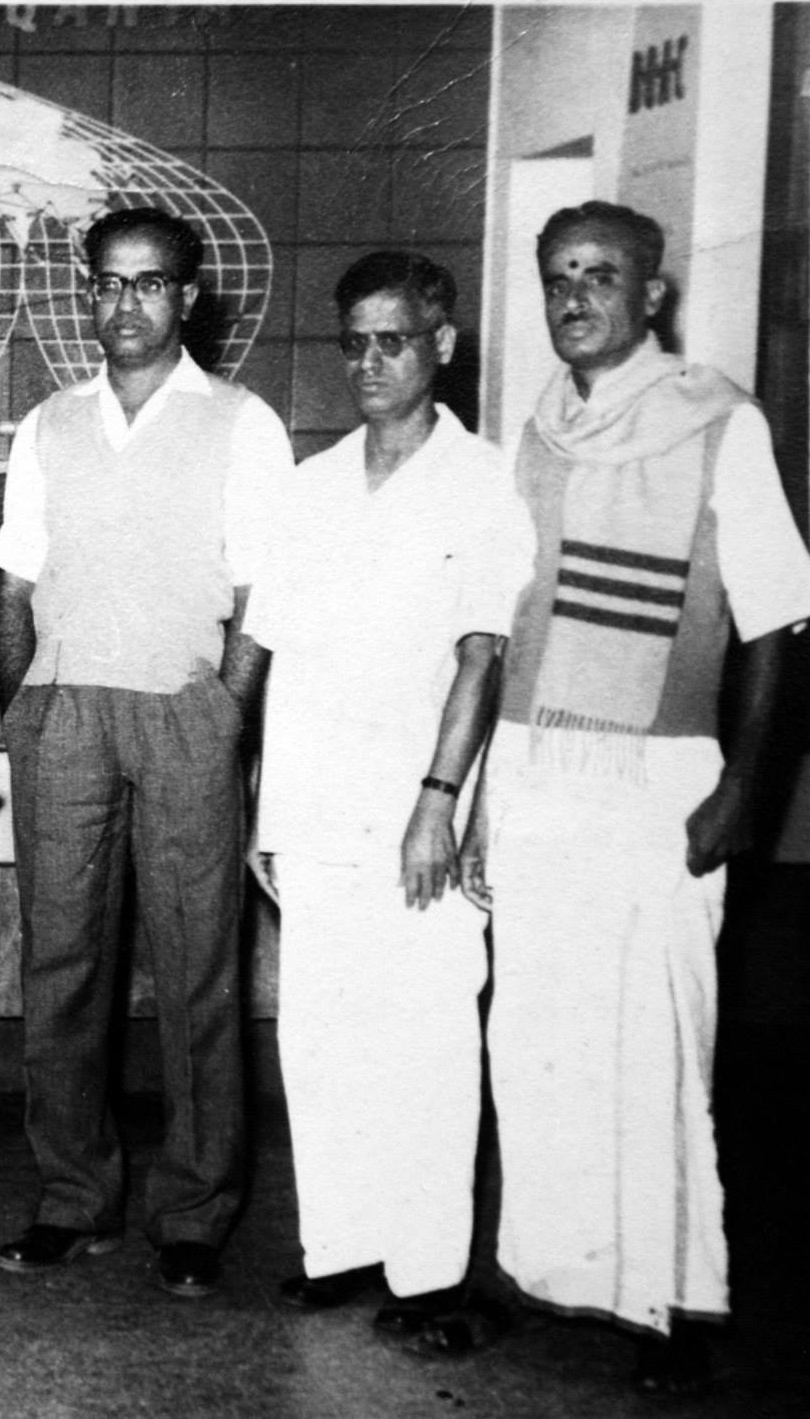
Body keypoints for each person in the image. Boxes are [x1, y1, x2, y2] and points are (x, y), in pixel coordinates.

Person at [463, 201, 810, 1394]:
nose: (575, 297)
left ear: (648, 293)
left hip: (658, 776)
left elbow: (775, 628)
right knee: (537, 1037)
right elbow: (507, 626)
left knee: (655, 1045)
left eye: (600, 275)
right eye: (557, 275)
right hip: (531, 763)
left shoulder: (720, 422)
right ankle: (541, 1273)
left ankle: (667, 1308)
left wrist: (741, 797)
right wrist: (474, 797)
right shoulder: (540, 429)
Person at [0, 207, 292, 1295]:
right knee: (59, 963)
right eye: (108, 284)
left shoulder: (241, 422)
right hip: (65, 713)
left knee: (194, 966)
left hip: (181, 713)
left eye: (149, 284)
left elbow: (264, 594)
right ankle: (73, 1194)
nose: (126, 304)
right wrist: (23, 703)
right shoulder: (48, 424)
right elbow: (13, 583)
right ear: (87, 292)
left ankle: (196, 1209)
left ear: (186, 296)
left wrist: (223, 711)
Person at [249, 252, 532, 1346]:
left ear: (441, 346)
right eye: (354, 341)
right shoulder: (312, 485)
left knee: (421, 1039)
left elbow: (480, 655)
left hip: (418, 809)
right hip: (316, 810)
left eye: (393, 340)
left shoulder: (482, 481)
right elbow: (282, 656)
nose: (369, 362)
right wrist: (270, 813)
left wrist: (436, 800)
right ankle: (342, 1245)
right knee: (319, 1037)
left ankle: (426, 1276)